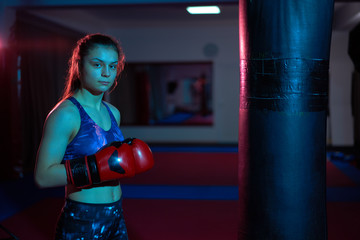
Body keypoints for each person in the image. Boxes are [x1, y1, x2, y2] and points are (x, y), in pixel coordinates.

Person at [34, 33, 153, 240]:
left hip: (117, 215)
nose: (106, 73)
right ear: (79, 66)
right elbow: (42, 177)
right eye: (97, 65)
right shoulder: (66, 114)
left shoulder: (113, 112)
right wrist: (95, 168)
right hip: (83, 220)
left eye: (112, 66)